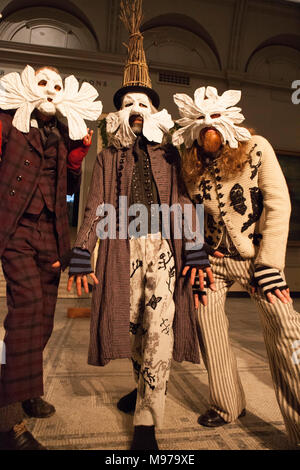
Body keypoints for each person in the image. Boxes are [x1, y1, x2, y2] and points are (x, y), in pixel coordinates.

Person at [67, 0, 216, 450]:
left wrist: (194, 248)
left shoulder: (170, 152)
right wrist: (82, 251)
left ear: (154, 110)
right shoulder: (109, 155)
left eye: (142, 103)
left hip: (164, 248)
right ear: (120, 113)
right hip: (121, 246)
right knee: (131, 326)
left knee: (160, 327)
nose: (135, 108)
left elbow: (186, 200)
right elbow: (95, 203)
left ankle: (148, 423)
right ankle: (144, 384)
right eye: (128, 103)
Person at [172, 85, 300, 447]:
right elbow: (188, 213)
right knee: (209, 329)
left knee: (288, 333)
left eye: (215, 119)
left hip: (256, 259)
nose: (208, 127)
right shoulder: (190, 163)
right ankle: (227, 404)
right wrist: (196, 256)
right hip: (213, 262)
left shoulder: (258, 149)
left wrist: (270, 263)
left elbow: (278, 205)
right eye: (200, 121)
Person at [0, 65, 102, 450]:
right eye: (42, 82)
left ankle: (25, 390)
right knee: (25, 310)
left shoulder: (62, 133)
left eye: (56, 85)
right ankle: (7, 423)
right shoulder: (8, 124)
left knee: (42, 320)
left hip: (51, 232)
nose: (50, 90)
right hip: (15, 230)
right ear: (29, 85)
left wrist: (76, 160)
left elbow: (67, 190)